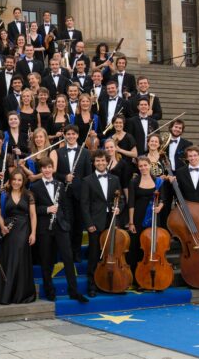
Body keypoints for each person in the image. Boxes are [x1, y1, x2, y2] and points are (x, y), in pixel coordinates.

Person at [29, 157, 88, 303]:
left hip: (61, 227)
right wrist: (47, 209)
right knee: (46, 261)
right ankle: (50, 291)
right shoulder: (35, 187)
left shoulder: (60, 184)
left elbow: (66, 206)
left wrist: (66, 223)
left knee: (68, 258)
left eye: (49, 167)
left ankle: (73, 291)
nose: (47, 170)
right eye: (44, 168)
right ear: (40, 170)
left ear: (52, 168)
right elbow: (33, 209)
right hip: (45, 228)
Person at [81, 150, 123, 297]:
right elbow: (84, 205)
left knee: (111, 252)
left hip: (111, 220)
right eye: (97, 161)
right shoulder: (87, 180)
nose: (100, 163)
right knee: (94, 254)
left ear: (107, 161)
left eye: (103, 160)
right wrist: (89, 224)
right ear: (94, 163)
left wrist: (119, 208)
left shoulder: (115, 179)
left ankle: (109, 281)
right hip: (95, 222)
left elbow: (121, 199)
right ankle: (92, 285)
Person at [50, 125, 92, 262]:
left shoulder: (85, 152)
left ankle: (76, 252)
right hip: (64, 194)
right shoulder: (58, 152)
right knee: (66, 224)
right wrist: (64, 177)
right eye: (68, 134)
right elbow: (54, 174)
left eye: (73, 134)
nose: (71, 136)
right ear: (65, 136)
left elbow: (88, 176)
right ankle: (66, 253)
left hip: (80, 195)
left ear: (78, 135)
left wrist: (86, 195)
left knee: (79, 225)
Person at [0, 169, 37, 304]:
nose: (17, 182)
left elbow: (33, 215)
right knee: (7, 259)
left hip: (23, 229)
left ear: (23, 181)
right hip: (8, 230)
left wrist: (33, 233)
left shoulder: (28, 195)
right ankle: (6, 294)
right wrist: (2, 227)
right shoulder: (4, 195)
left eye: (19, 180)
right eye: (14, 179)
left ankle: (19, 294)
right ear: (10, 180)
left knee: (18, 259)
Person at [127, 157, 165, 275]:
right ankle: (137, 275)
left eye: (145, 165)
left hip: (153, 216)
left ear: (150, 165)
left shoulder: (158, 181)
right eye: (140, 166)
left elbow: (163, 198)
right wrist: (131, 222)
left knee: (153, 245)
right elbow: (131, 203)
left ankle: (153, 273)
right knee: (138, 246)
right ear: (138, 167)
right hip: (138, 217)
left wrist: (160, 206)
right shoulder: (134, 182)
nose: (143, 168)